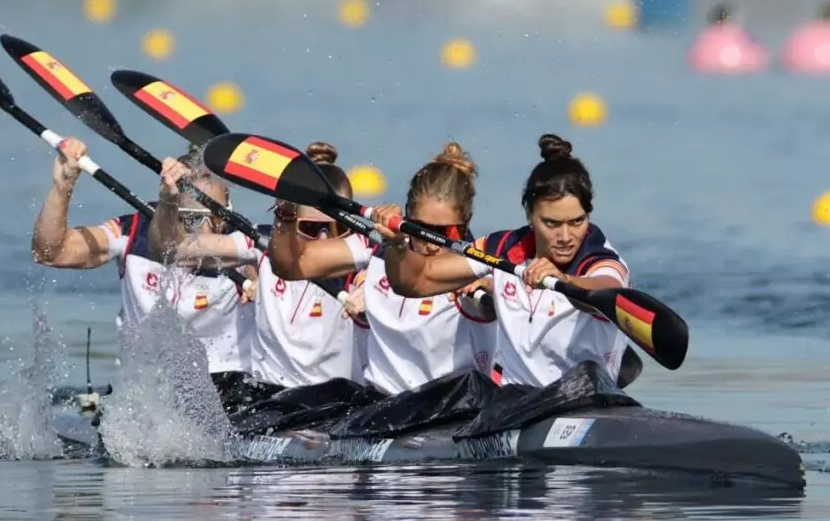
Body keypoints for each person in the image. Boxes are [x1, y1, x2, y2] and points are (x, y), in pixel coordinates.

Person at [378, 134, 629, 387]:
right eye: (551, 223)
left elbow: (608, 290)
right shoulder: (501, 249)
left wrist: (565, 280)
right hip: (514, 405)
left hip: (583, 398)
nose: (566, 237)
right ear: (530, 215)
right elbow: (416, 280)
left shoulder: (598, 256)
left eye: (577, 221)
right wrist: (395, 243)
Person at [267, 142, 497, 395]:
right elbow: (290, 264)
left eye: (446, 233)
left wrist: (491, 290)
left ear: (466, 223)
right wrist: (285, 211)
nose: (432, 243)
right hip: (383, 407)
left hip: (455, 409)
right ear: (407, 217)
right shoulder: (376, 248)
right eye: (421, 229)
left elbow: (498, 297)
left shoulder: (479, 267)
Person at [149, 141, 369, 390]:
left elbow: (396, 273)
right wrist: (168, 201)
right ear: (290, 220)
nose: (323, 241)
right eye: (310, 228)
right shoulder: (263, 245)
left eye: (338, 229)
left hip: (336, 404)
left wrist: (370, 294)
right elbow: (172, 250)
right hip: (268, 400)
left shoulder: (363, 256)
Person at [30, 137, 257, 376]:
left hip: (229, 384)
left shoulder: (243, 241)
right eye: (191, 219)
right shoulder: (135, 229)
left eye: (218, 218)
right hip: (145, 388)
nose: (207, 232)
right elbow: (49, 252)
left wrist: (260, 285)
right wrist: (62, 185)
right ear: (172, 212)